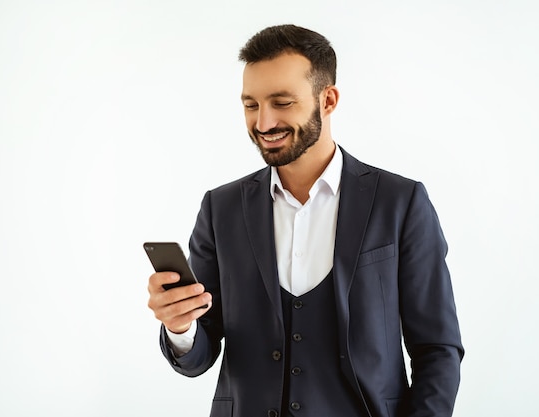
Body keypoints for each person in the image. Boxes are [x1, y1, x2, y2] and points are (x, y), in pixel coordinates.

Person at [147, 24, 464, 417]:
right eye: (251, 105)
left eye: (282, 102)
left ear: (328, 100)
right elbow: (200, 353)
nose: (263, 123)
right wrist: (181, 328)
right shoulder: (220, 208)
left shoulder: (400, 202)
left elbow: (437, 349)